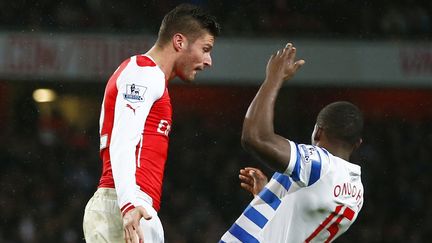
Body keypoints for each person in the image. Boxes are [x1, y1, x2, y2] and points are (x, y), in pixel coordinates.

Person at [83, 4, 220, 243]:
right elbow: (122, 141)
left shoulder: (146, 76)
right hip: (125, 204)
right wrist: (127, 205)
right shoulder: (144, 74)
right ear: (179, 41)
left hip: (136, 205)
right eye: (205, 49)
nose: (208, 61)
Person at [220, 43, 364, 242]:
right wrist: (269, 194)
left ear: (318, 132)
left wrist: (273, 78)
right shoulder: (356, 193)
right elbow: (300, 222)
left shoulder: (318, 163)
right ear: (357, 144)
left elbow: (254, 137)